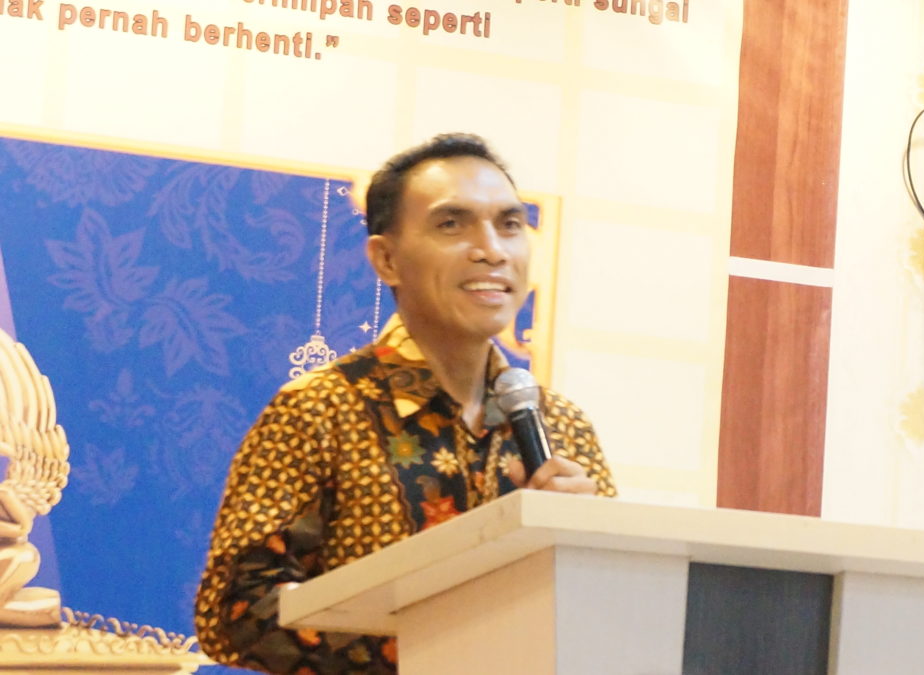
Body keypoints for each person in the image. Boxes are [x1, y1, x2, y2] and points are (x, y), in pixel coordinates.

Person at [194, 134, 617, 674]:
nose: (492, 250)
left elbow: (611, 617)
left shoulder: (562, 425)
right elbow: (234, 613)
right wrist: (427, 647)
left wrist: (585, 552)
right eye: (452, 224)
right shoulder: (318, 411)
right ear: (387, 259)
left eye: (510, 224)